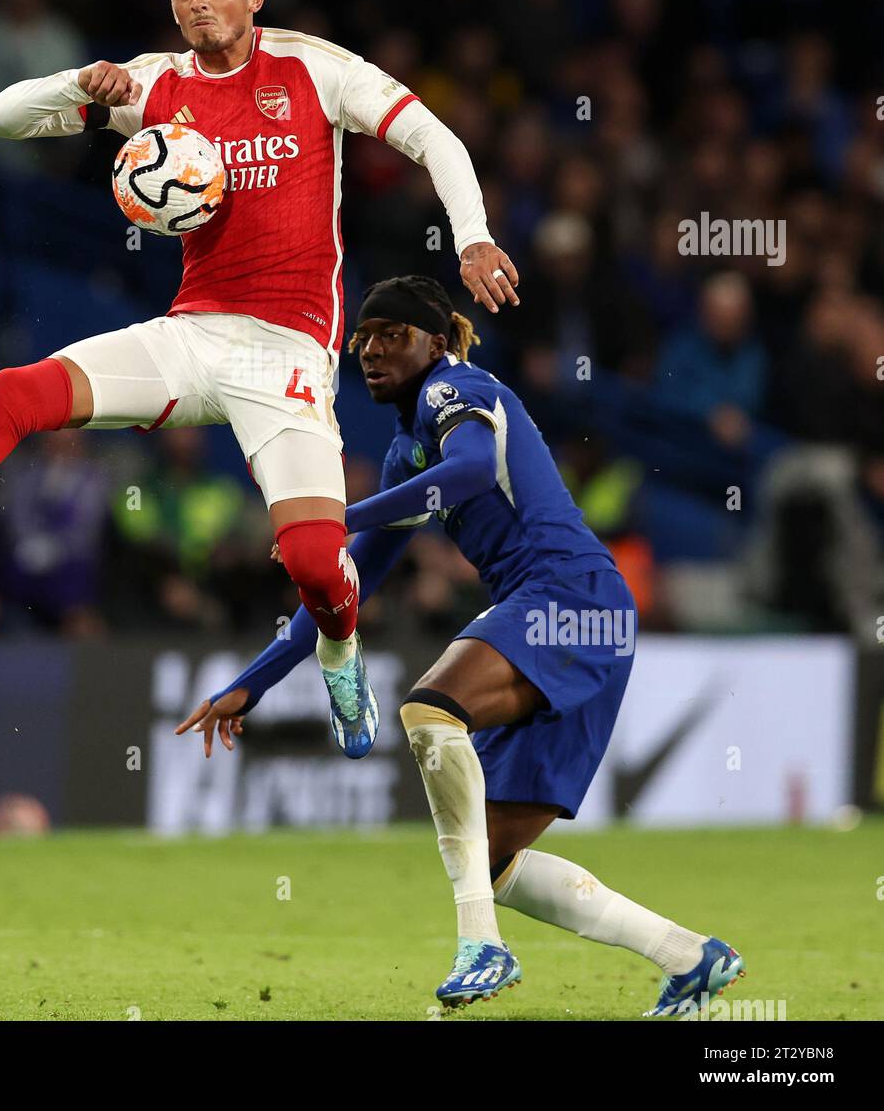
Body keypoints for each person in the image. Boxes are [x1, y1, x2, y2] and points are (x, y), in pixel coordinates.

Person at [0, 0, 519, 750]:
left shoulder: (314, 70)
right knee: (15, 393)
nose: (196, 4)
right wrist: (80, 86)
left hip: (288, 354)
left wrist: (473, 235)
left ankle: (340, 653)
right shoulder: (153, 84)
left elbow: (433, 138)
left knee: (309, 561)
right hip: (189, 336)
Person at [177, 275, 744, 1017]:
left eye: (393, 335)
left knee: (429, 712)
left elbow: (473, 470)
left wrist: (341, 514)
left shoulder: (456, 390)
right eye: (364, 338)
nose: (372, 351)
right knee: (497, 860)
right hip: (585, 617)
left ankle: (480, 945)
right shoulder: (410, 453)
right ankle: (691, 957)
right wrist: (253, 682)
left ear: (435, 341)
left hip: (565, 596)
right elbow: (346, 587)